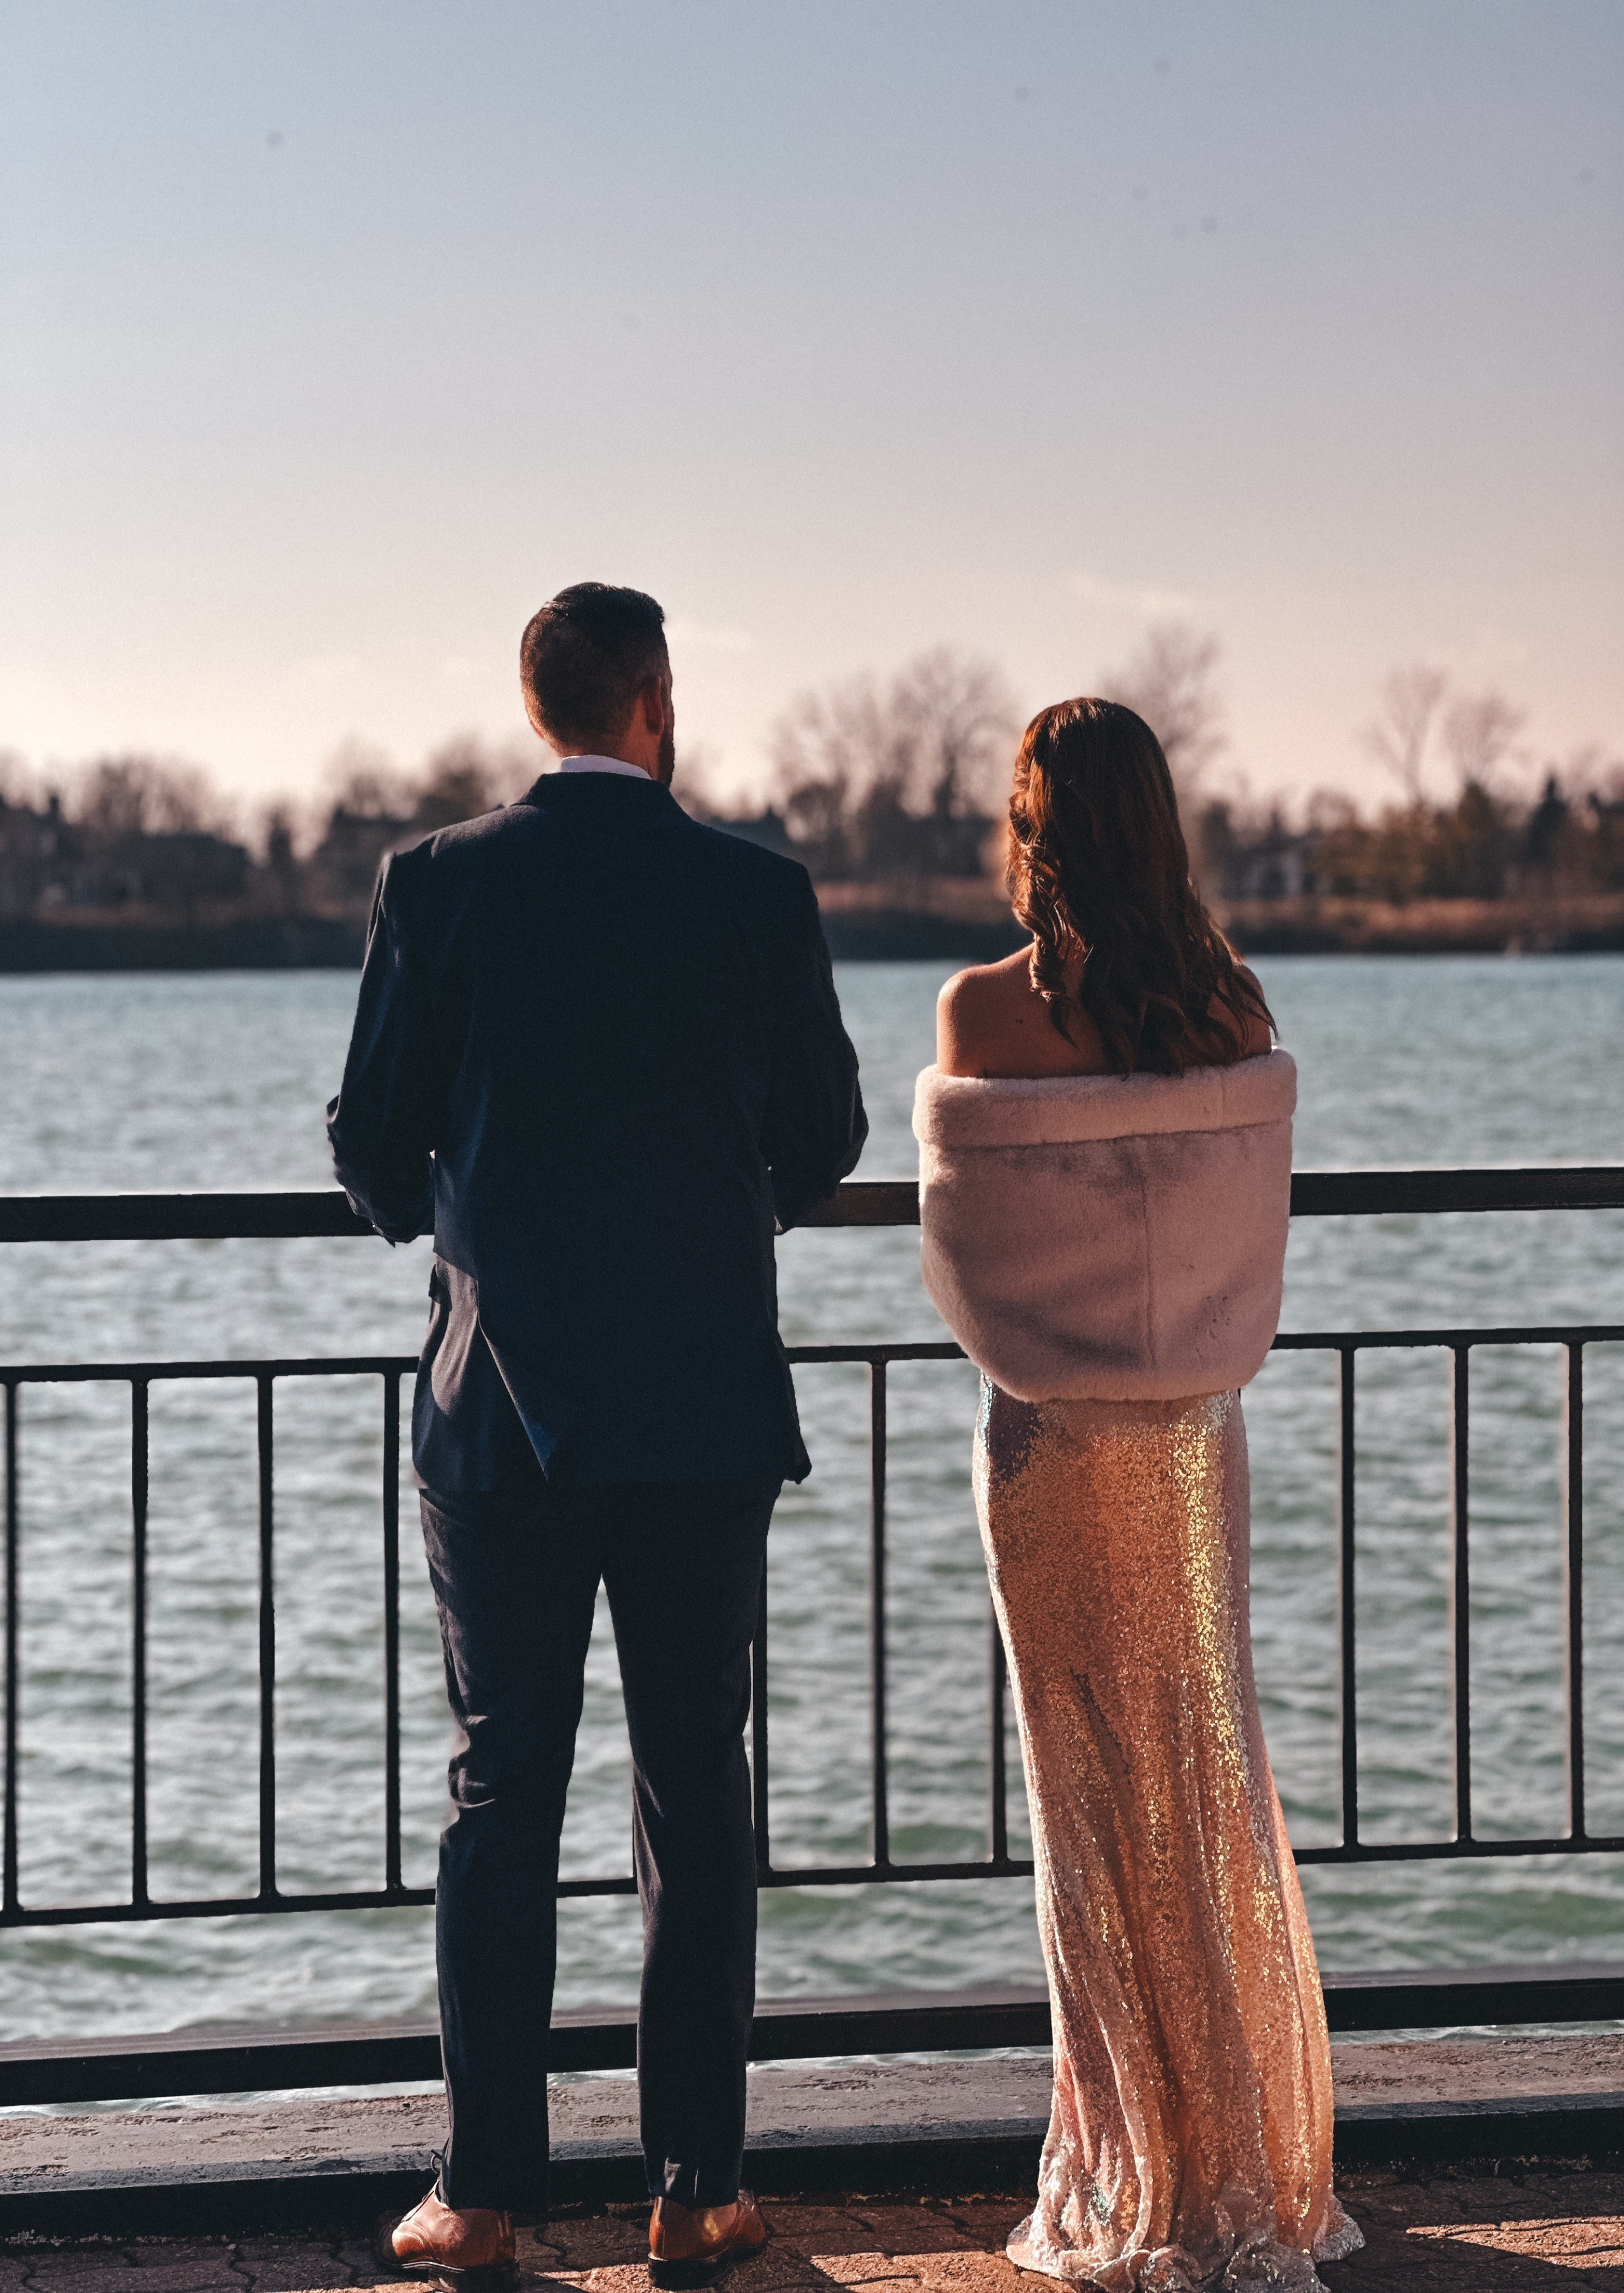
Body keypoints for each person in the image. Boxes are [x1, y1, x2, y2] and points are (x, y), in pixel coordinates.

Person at [327, 583, 867, 2283]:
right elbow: (828, 1134)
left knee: (505, 1788)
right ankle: (697, 2188)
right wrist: (708, 1225)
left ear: (536, 705)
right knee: (692, 1789)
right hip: (701, 1398)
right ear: (658, 703)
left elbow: (366, 1146)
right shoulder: (759, 893)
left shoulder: (439, 884)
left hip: (504, 1408)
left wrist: (482, 1219)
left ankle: (485, 2191)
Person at [913, 699, 1361, 2291]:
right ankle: (1245, 2155)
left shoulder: (979, 1016)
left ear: (1030, 829)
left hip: (1047, 1450)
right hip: (1187, 1439)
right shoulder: (1228, 1008)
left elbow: (968, 1264)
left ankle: (1135, 2165)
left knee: (1089, 1803)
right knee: (1206, 1773)